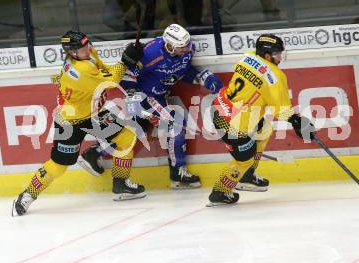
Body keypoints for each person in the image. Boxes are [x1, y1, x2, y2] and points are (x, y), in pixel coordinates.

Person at [11, 30, 145, 216]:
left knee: (126, 138)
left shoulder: (87, 55)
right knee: (59, 166)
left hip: (93, 114)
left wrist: (127, 60)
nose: (87, 49)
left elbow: (105, 70)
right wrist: (125, 61)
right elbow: (110, 81)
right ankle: (27, 195)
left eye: (87, 44)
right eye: (82, 48)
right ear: (71, 52)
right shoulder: (78, 71)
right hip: (69, 121)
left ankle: (120, 183)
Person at [80, 23, 223, 189]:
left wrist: (201, 77)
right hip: (144, 96)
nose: (186, 49)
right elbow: (127, 75)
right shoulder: (151, 53)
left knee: (135, 132)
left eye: (187, 45)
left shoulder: (187, 50)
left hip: (159, 96)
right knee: (174, 125)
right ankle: (177, 173)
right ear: (169, 46)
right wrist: (134, 97)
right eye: (181, 47)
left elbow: (181, 70)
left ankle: (94, 152)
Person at [207, 34, 315, 206]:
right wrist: (297, 121)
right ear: (267, 55)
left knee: (264, 129)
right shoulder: (275, 77)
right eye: (277, 54)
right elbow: (281, 109)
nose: (280, 57)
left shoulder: (248, 56)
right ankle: (220, 192)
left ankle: (248, 175)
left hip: (220, 107)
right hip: (232, 124)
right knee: (244, 160)